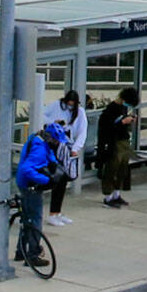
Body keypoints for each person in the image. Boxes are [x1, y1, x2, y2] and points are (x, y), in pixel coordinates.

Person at [13, 120, 64, 268]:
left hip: (25, 185)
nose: (57, 144)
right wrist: (46, 180)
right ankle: (33, 254)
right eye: (55, 141)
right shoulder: (40, 149)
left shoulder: (38, 139)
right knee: (35, 220)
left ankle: (20, 251)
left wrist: (54, 163)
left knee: (26, 219)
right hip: (30, 188)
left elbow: (49, 154)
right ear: (49, 138)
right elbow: (26, 169)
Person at [39, 90, 87, 225]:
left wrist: (76, 148)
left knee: (64, 180)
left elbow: (82, 131)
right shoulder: (56, 105)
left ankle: (57, 212)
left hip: (68, 148)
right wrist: (53, 122)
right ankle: (53, 213)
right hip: (54, 146)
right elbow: (41, 114)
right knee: (57, 179)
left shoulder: (80, 112)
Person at [98, 87, 136, 208]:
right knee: (112, 168)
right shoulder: (110, 110)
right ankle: (108, 196)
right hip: (113, 143)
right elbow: (107, 129)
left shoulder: (123, 108)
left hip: (123, 140)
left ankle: (116, 194)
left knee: (122, 168)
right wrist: (122, 122)